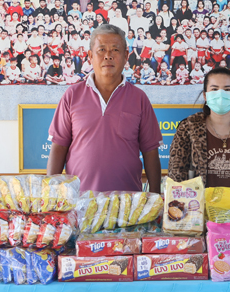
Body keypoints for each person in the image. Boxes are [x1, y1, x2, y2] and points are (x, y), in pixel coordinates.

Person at [47, 24, 163, 193]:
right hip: (80, 201)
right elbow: (59, 146)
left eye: (115, 50)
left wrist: (155, 195)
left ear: (126, 56)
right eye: (101, 50)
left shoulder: (139, 98)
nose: (108, 55)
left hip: (128, 202)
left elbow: (150, 151)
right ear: (90, 56)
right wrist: (50, 194)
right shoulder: (72, 95)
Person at [168, 67, 230, 188]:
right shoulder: (188, 128)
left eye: (227, 89)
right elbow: (176, 175)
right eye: (214, 89)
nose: (220, 94)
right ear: (205, 95)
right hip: (199, 200)